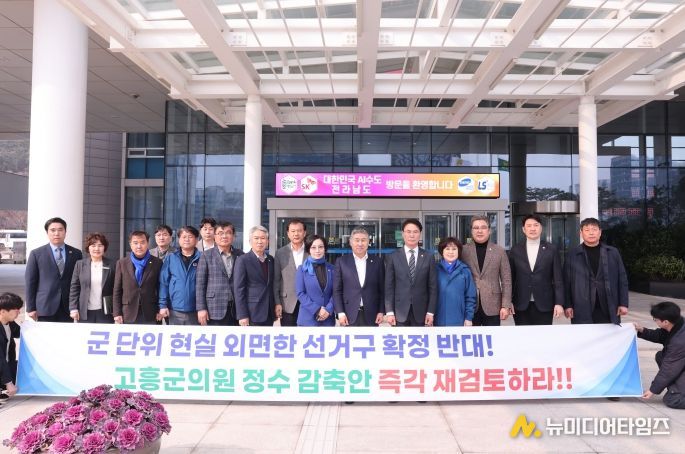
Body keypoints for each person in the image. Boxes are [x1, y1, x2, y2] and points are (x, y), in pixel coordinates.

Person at [564, 217, 629, 324]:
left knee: (609, 334)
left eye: (594, 229)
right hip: (581, 305)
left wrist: (623, 303)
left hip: (608, 305)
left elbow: (622, 279)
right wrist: (568, 305)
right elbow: (567, 282)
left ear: (600, 232)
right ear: (581, 233)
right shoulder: (572, 255)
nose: (591, 233)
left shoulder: (612, 252)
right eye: (587, 230)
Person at [509, 215, 564, 325]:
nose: (532, 228)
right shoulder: (515, 250)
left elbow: (558, 278)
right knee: (523, 334)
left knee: (543, 335)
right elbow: (510, 278)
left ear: (541, 228)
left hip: (545, 303)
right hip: (520, 303)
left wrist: (559, 303)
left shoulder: (551, 249)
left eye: (536, 225)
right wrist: (508, 301)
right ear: (523, 229)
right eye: (529, 226)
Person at [25, 217, 83, 322]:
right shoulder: (36, 254)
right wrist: (30, 307)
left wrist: (77, 305)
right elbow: (30, 282)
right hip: (45, 306)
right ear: (47, 232)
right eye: (53, 230)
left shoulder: (76, 253)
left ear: (65, 232)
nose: (57, 233)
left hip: (68, 307)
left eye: (60, 230)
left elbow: (79, 281)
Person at [384, 218, 437, 327]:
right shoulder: (393, 257)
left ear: (420, 234)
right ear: (403, 234)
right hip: (399, 312)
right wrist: (389, 312)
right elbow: (389, 286)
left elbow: (433, 287)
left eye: (415, 232)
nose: (412, 235)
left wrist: (430, 312)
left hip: (422, 312)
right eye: (408, 232)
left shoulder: (428, 257)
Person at [461, 215, 512, 326]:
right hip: (469, 305)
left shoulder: (499, 251)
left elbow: (506, 280)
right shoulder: (463, 251)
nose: (480, 231)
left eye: (483, 227)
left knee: (493, 336)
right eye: (476, 228)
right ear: (471, 231)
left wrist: (505, 305)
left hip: (493, 305)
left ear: (489, 231)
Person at [634, 301, 685, 409]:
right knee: (661, 356)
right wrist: (641, 330)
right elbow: (660, 335)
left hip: (678, 362)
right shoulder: (678, 323)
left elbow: (668, 368)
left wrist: (653, 390)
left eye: (655, 319)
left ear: (665, 322)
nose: (655, 321)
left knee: (673, 400)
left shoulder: (679, 341)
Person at [333, 227, 384, 326]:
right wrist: (340, 312)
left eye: (363, 240)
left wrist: (381, 311)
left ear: (368, 242)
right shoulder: (341, 262)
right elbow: (337, 290)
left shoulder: (377, 262)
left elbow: (382, 290)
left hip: (372, 314)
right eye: (357, 240)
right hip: (348, 314)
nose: (360, 244)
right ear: (351, 242)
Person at [195, 221, 244, 326]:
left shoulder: (241, 255)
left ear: (233, 236)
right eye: (220, 233)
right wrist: (201, 308)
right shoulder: (206, 255)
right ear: (215, 236)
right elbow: (200, 284)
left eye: (228, 233)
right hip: (214, 308)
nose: (224, 236)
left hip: (236, 309)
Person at [112, 231, 163, 324]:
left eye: (142, 242)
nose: (139, 246)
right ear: (130, 244)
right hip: (127, 313)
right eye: (135, 243)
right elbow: (117, 290)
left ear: (147, 243)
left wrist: (160, 308)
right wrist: (117, 313)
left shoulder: (157, 263)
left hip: (150, 312)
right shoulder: (122, 263)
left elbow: (160, 288)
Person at [159, 226, 202, 325]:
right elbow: (164, 283)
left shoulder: (203, 258)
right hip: (174, 309)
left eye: (190, 236)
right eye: (183, 237)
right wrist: (162, 305)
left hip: (196, 310)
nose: (187, 239)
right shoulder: (171, 258)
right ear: (179, 240)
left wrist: (203, 308)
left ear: (196, 240)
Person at [68, 233, 115, 323]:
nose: (97, 249)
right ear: (88, 248)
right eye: (93, 245)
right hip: (84, 311)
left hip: (105, 311)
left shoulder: (112, 264)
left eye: (100, 245)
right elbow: (74, 287)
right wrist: (73, 308)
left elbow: (116, 288)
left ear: (104, 248)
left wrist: (116, 310)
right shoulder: (80, 264)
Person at [234, 225, 275, 326]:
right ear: (250, 241)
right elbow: (239, 289)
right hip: (252, 312)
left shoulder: (270, 259)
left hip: (269, 312)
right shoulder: (243, 260)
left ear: (267, 241)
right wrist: (242, 315)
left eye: (263, 238)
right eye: (256, 238)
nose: (260, 241)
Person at [273, 219, 308, 326]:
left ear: (304, 233)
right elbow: (276, 280)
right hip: (287, 304)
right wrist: (277, 302)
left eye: (299, 231)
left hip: (309, 303)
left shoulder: (311, 251)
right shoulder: (280, 253)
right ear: (288, 234)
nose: (296, 234)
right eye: (293, 231)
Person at [435, 237, 476, 327]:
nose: (451, 252)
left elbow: (470, 296)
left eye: (454, 249)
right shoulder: (435, 270)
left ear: (458, 251)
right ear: (442, 251)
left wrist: (468, 317)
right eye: (447, 249)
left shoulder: (465, 270)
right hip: (438, 318)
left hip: (459, 318)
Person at [295, 235, 335, 327]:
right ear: (308, 249)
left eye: (320, 247)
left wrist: (328, 309)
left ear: (325, 249)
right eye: (313, 247)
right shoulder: (302, 269)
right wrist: (317, 309)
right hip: (307, 319)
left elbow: (336, 292)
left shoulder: (332, 269)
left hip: (327, 319)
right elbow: (300, 293)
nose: (317, 250)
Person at [0, 293, 22, 403]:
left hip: (7, 364)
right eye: (16, 310)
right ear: (3, 311)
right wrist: (9, 383)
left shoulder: (10, 323)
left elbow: (22, 333)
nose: (19, 313)